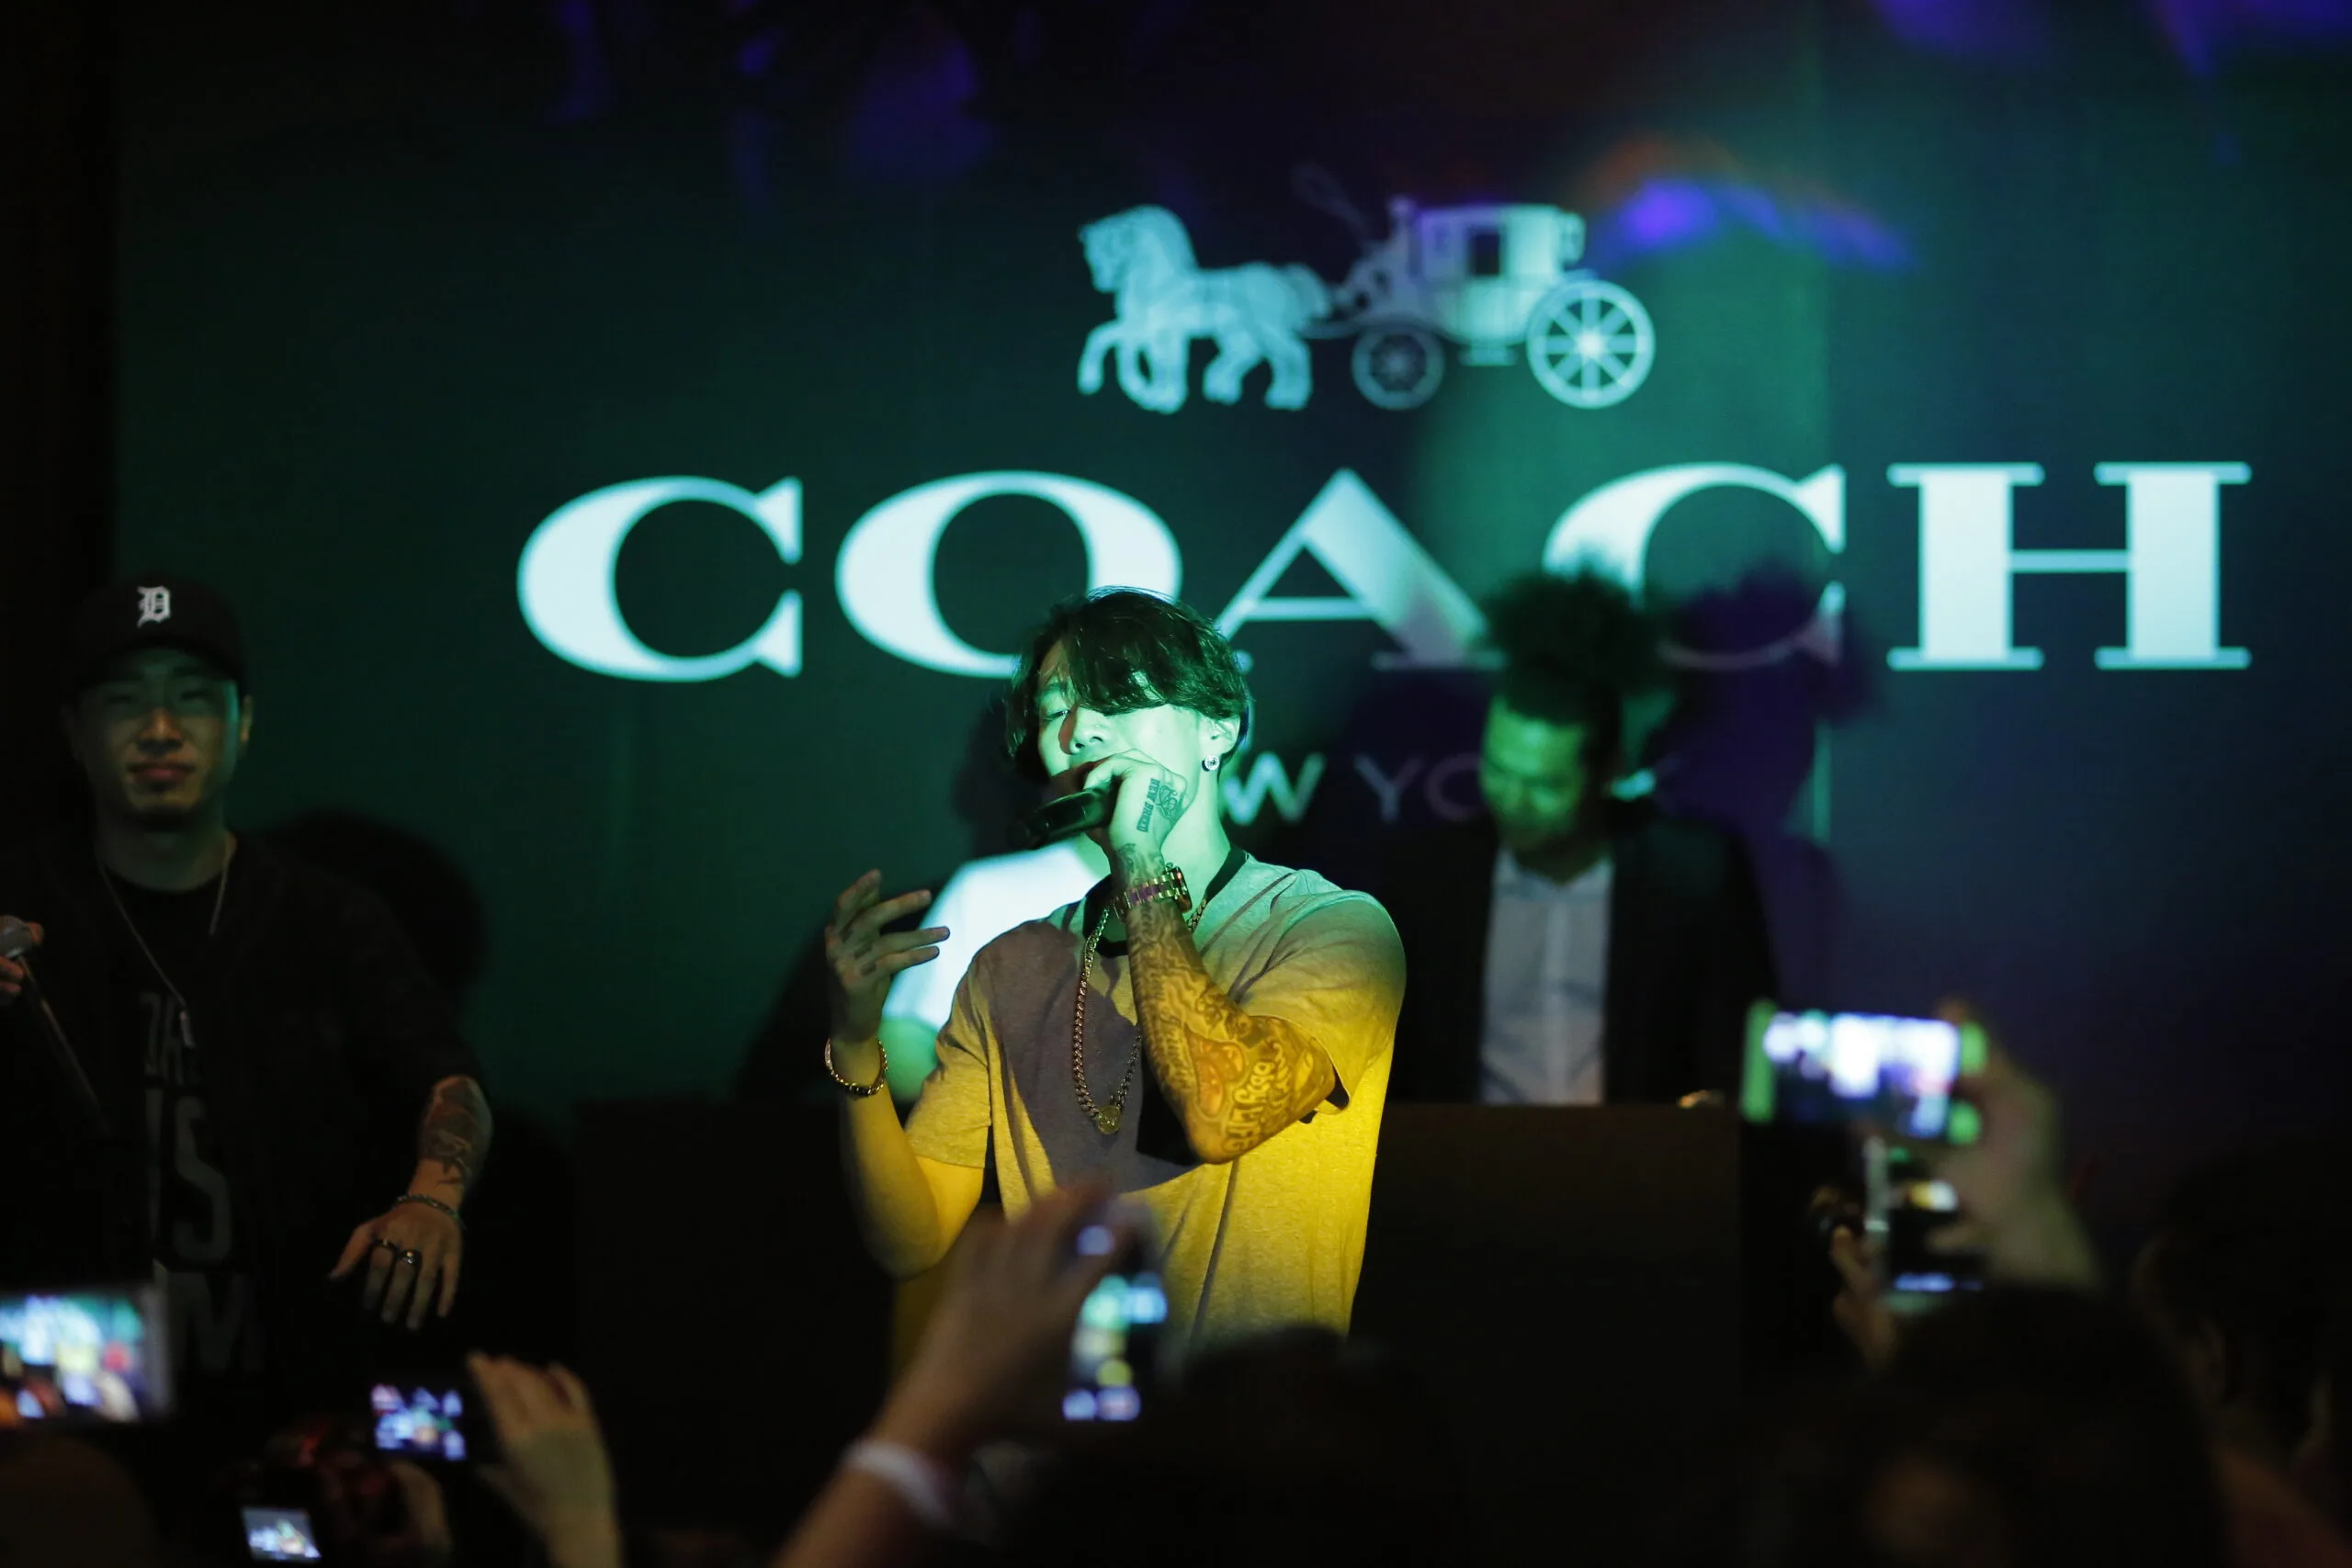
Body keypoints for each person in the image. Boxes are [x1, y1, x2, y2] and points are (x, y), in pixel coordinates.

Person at [819, 588, 1405, 1352]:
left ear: (1218, 728)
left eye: (1119, 696)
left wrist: (1141, 859)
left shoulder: (1328, 926)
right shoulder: (1010, 965)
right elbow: (912, 1238)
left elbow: (1222, 1113)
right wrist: (855, 1043)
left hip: (1258, 1414)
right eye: (1057, 709)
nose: (1082, 729)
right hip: (1064, 1413)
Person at [0, 574, 492, 1427]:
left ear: (245, 722)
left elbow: (447, 1080)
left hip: (296, 1394)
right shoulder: (20, 902)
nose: (161, 728)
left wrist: (430, 1200)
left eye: (194, 697)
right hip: (68, 1396)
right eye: (125, 700)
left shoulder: (325, 917)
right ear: (75, 733)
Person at [1380, 570, 1775, 1105]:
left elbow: (1737, 1058)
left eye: (1545, 785)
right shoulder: (1427, 881)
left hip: (1640, 1156)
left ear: (1608, 773)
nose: (1513, 801)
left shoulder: (1693, 876)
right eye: (1498, 770)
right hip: (1471, 1155)